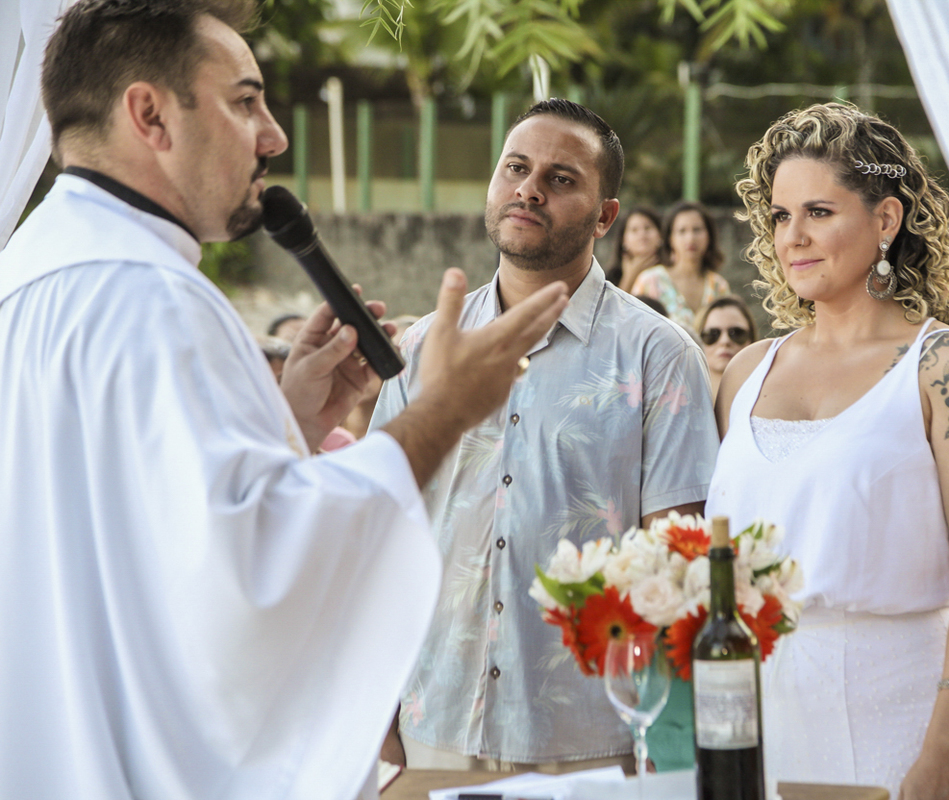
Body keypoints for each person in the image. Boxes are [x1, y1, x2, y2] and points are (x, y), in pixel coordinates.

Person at [0, 3, 568, 798]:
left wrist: (287, 424)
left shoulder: (33, 267)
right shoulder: (153, 299)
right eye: (244, 101)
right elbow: (257, 566)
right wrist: (443, 408)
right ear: (150, 114)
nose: (274, 135)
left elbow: (127, 524)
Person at [369, 99, 719, 772]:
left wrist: (665, 750)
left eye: (561, 178)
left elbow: (677, 568)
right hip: (432, 724)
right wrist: (377, 719)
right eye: (516, 168)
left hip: (594, 743)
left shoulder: (658, 356)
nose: (529, 188)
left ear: (606, 215)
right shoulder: (422, 348)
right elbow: (381, 535)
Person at [706, 104, 949, 800]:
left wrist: (945, 747)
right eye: (782, 216)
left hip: (897, 716)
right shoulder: (744, 372)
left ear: (886, 220)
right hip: (752, 715)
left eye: (819, 211)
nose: (795, 237)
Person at [630, 201, 731, 328]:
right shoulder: (650, 281)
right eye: (682, 231)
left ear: (709, 235)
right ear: (670, 238)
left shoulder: (718, 286)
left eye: (697, 230)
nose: (690, 238)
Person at [696, 295, 758, 397]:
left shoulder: (767, 394)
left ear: (751, 339)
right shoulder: (684, 398)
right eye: (712, 334)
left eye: (736, 333)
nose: (725, 341)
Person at [604, 205, 662, 293]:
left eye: (647, 228)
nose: (642, 234)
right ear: (623, 240)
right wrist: (630, 277)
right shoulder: (612, 276)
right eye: (634, 230)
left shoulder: (671, 268)